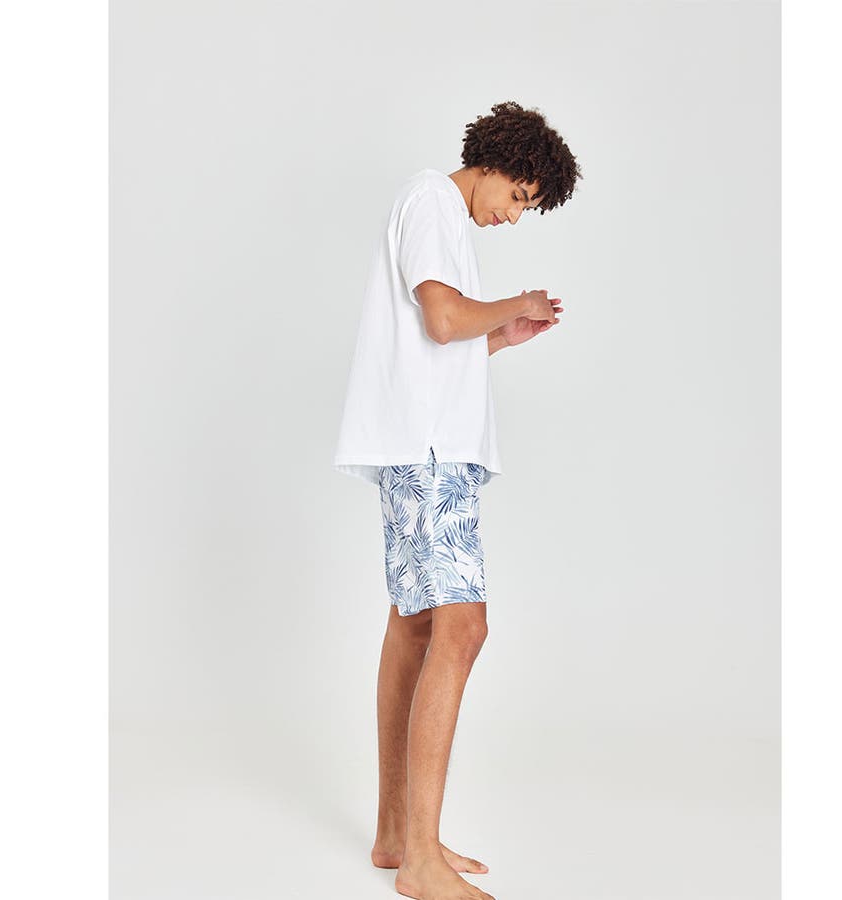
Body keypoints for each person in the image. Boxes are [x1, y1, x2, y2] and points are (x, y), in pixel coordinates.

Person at [332, 100, 581, 900]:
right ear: (501, 164)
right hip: (430, 455)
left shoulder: (436, 212)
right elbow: (441, 320)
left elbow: (437, 342)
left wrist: (500, 336)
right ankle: (420, 861)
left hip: (422, 447)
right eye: (520, 197)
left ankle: (398, 834)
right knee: (463, 629)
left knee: (415, 627)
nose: (514, 217)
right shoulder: (434, 199)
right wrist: (514, 304)